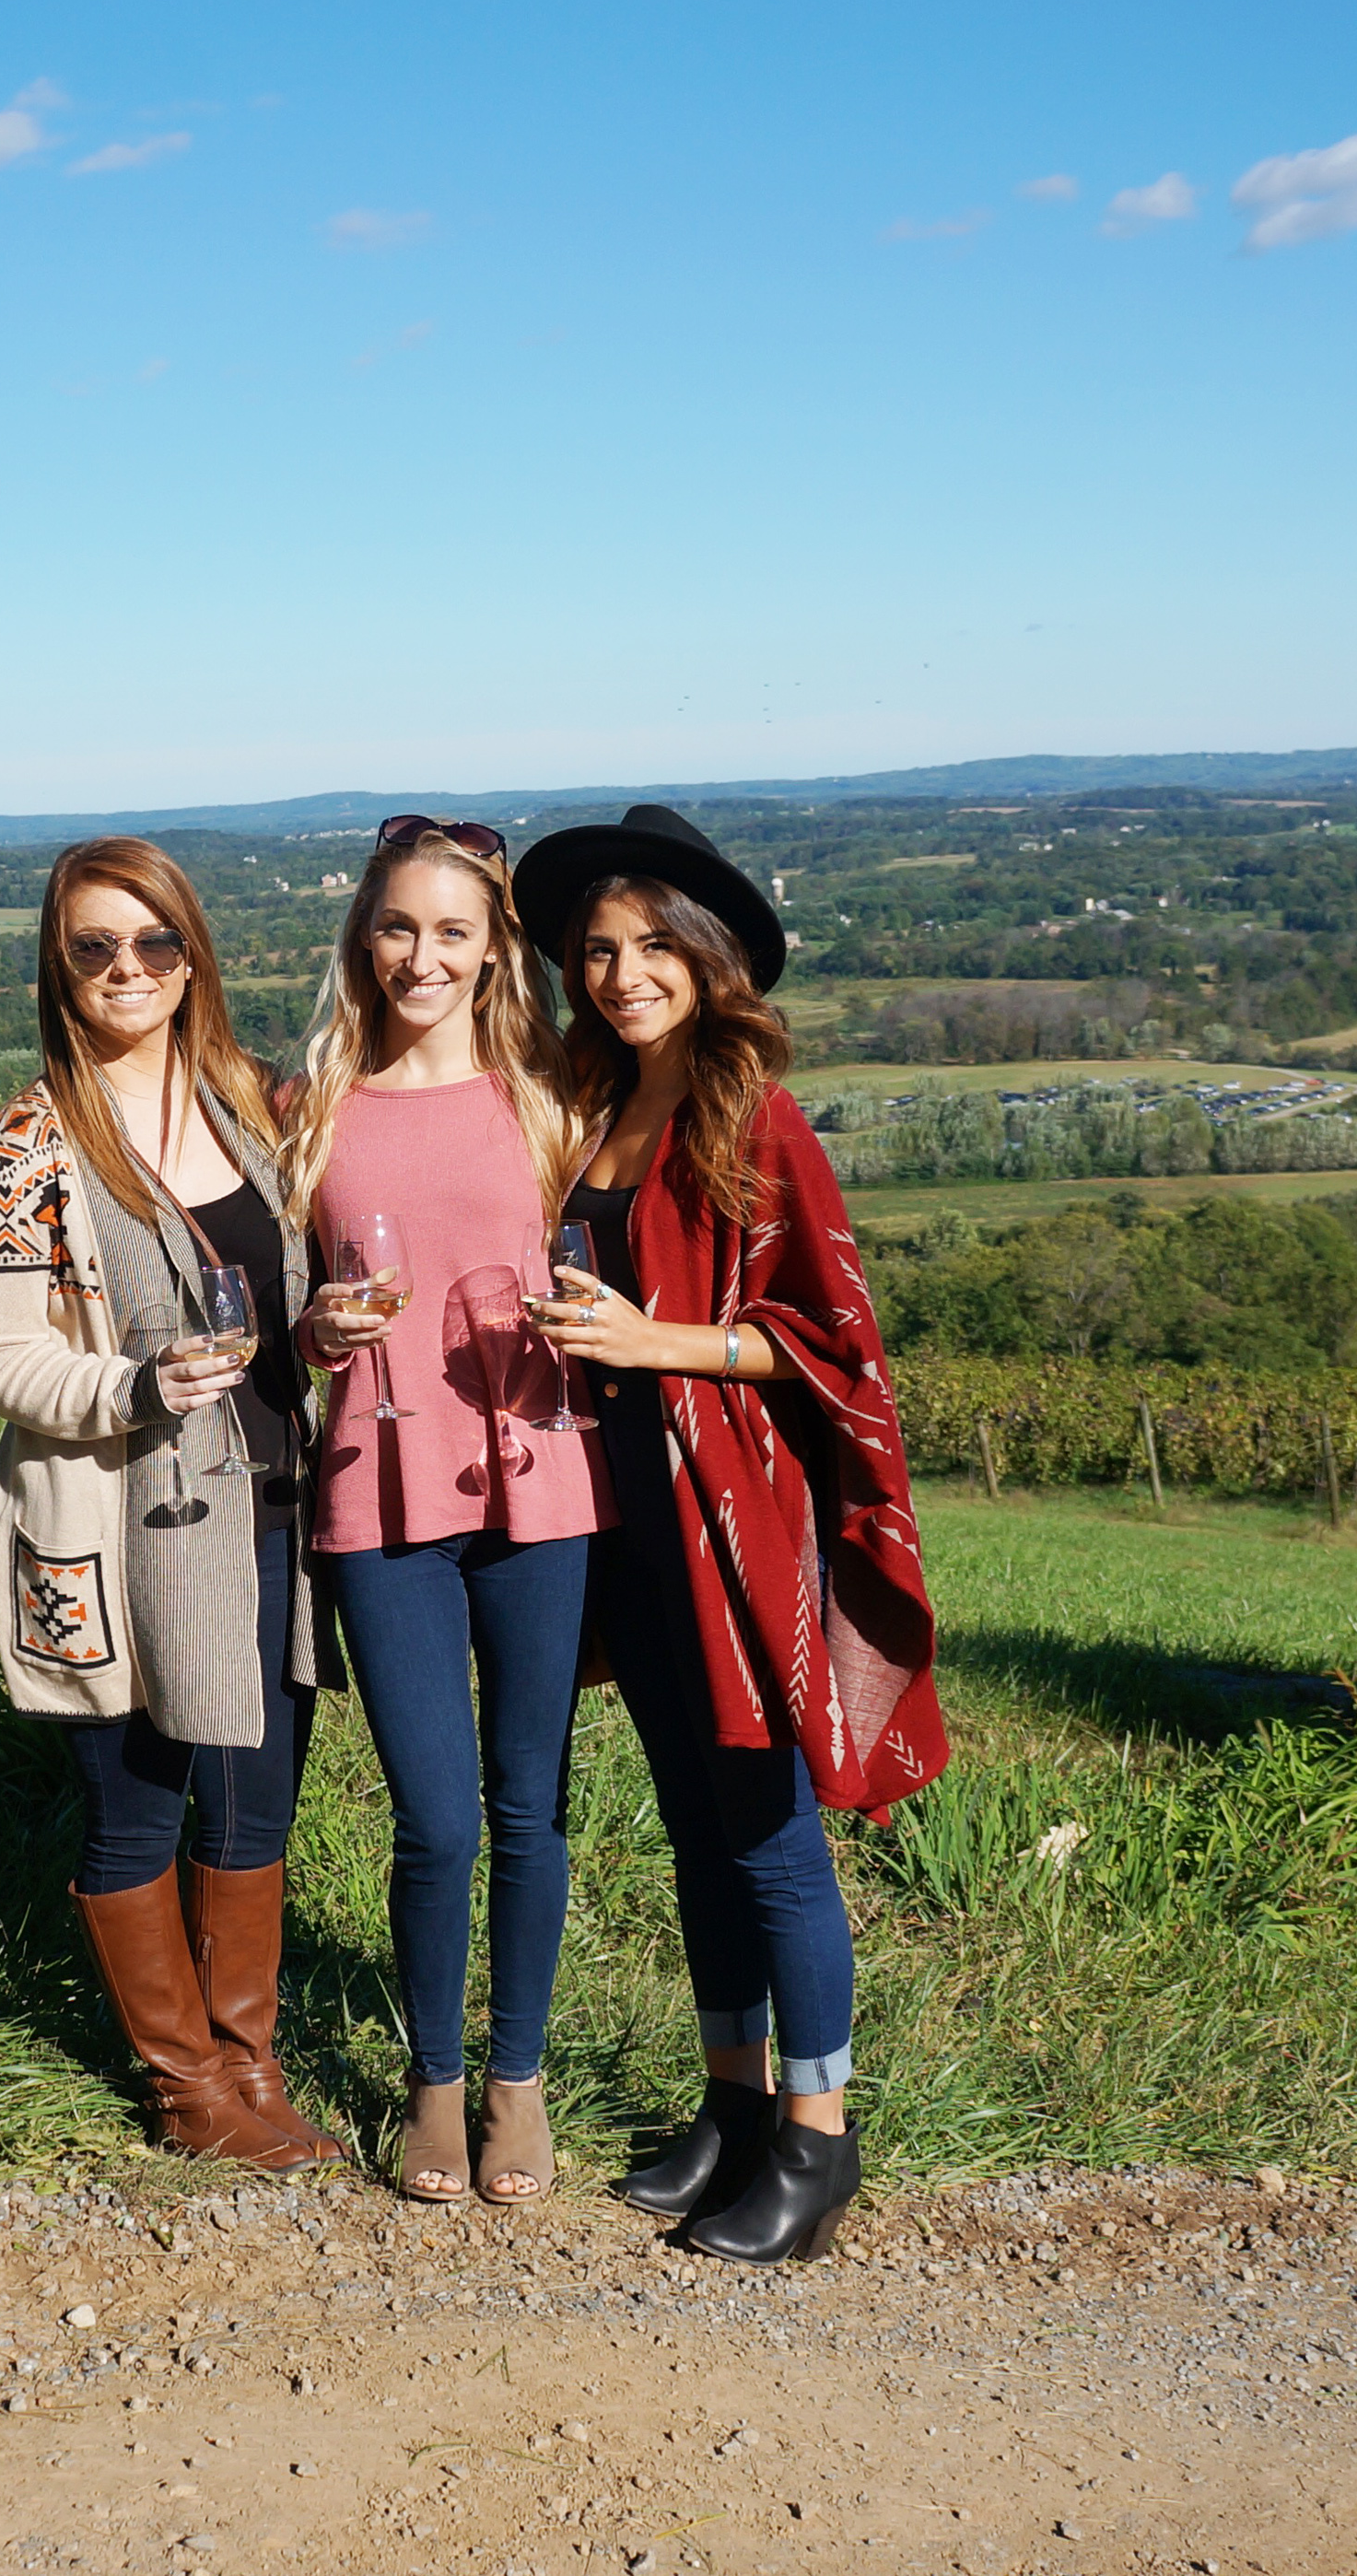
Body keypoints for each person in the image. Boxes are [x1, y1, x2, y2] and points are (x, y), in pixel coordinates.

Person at [514, 802, 948, 2264]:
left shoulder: (747, 1111)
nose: (622, 972)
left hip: (730, 1523)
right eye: (597, 950)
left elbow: (835, 1343)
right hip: (620, 1518)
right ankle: (734, 2101)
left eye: (650, 947)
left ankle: (820, 2141)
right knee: (697, 1835)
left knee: (770, 1842)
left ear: (706, 959)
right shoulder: (588, 1100)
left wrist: (659, 1343)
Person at [0, 837, 341, 2172]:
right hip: (121, 1525)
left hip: (271, 1506)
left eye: (152, 944)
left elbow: (295, 1286)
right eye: (94, 948)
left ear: (192, 955)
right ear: (59, 968)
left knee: (258, 1803)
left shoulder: (251, 1102)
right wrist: (135, 1384)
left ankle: (249, 2062)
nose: (128, 969)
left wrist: (328, 1324)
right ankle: (183, 2088)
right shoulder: (27, 1141)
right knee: (136, 1811)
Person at [287, 817, 603, 2206]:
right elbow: (286, 1322)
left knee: (529, 1809)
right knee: (438, 1820)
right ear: (368, 934)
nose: (424, 954)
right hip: (377, 1488)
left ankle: (516, 2079)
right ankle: (432, 2079)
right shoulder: (314, 1106)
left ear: (493, 952)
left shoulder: (549, 1098)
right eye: (402, 926)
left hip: (539, 1484)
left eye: (454, 931)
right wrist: (310, 1329)